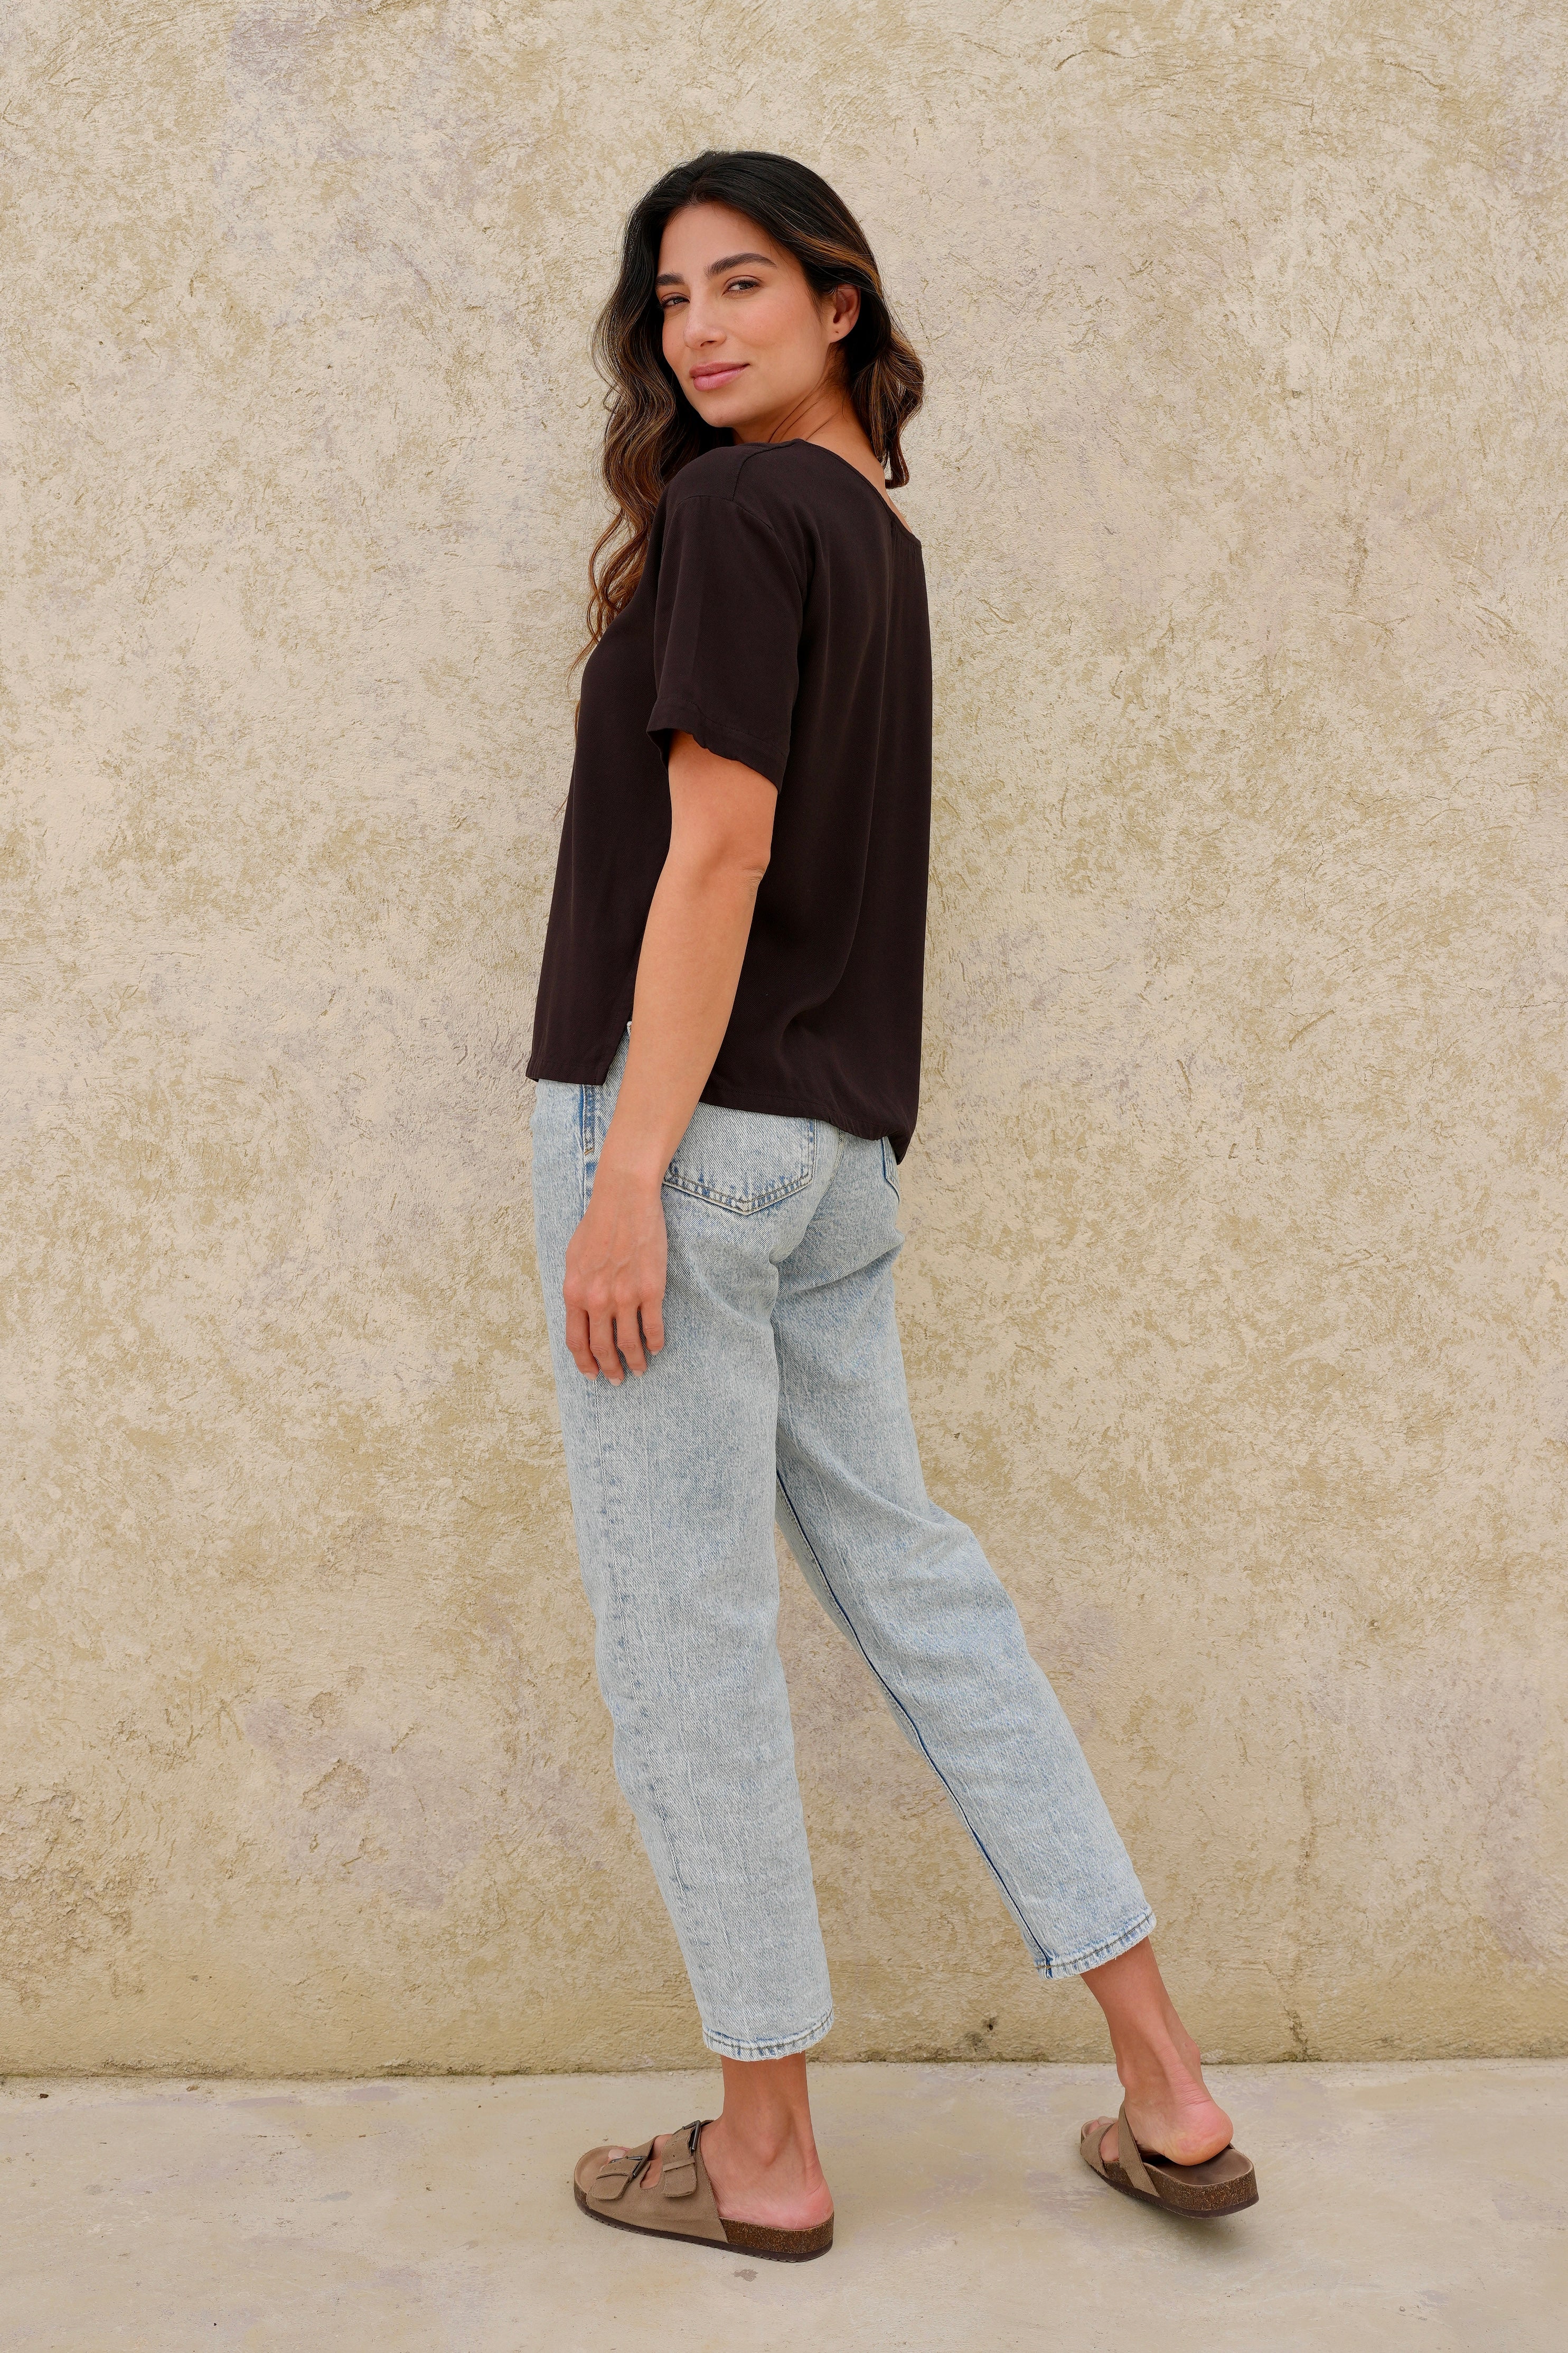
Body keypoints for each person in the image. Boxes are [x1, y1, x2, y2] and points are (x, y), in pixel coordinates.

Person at [525, 149, 1257, 2258]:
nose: (697, 329)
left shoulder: (740, 516)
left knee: (685, 1631)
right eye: (670, 299)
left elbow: (719, 851)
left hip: (687, 1139)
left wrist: (628, 1174)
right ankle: (1165, 2082)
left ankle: (760, 2150)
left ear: (839, 301)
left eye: (742, 283)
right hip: (835, 1157)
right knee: (919, 1588)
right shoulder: (867, 533)